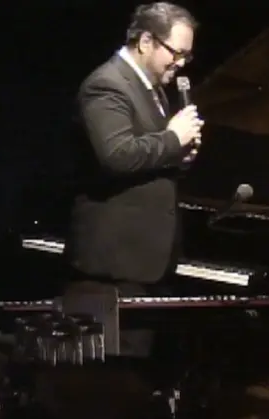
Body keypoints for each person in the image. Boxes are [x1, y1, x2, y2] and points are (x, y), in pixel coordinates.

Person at [64, 2, 202, 356]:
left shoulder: (153, 88)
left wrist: (179, 157)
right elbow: (117, 155)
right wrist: (173, 140)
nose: (182, 63)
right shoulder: (106, 85)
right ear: (145, 42)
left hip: (144, 265)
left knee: (139, 373)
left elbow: (148, 156)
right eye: (177, 53)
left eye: (187, 55)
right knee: (110, 376)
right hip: (113, 266)